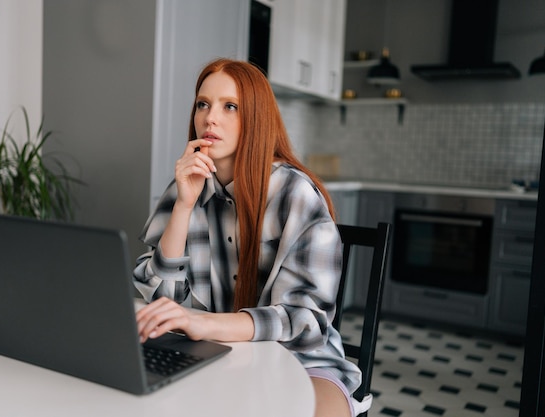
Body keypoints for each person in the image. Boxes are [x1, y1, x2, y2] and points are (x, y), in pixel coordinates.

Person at [133, 58, 369, 417]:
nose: (210, 118)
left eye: (230, 106)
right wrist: (183, 205)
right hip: (216, 353)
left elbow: (303, 320)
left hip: (303, 360)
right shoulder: (187, 185)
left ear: (256, 118)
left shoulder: (295, 194)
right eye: (203, 104)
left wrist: (203, 322)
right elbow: (165, 299)